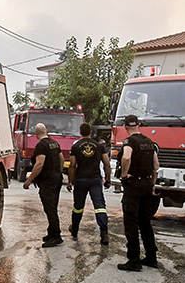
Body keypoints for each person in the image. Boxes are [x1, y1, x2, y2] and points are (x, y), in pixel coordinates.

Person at [117, 115, 160, 271]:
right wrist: (152, 183)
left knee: (131, 222)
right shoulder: (149, 142)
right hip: (147, 184)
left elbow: (126, 157)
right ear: (139, 125)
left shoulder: (129, 142)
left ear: (126, 126)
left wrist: (124, 175)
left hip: (134, 185)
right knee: (145, 222)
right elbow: (156, 165)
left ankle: (133, 259)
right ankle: (151, 257)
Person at [66, 122, 112, 244]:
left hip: (81, 180)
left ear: (80, 132)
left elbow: (72, 166)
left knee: (78, 207)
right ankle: (104, 233)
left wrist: (70, 181)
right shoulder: (99, 146)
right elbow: (107, 164)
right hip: (95, 180)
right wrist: (108, 179)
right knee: (100, 206)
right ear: (90, 132)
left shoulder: (76, 147)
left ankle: (75, 229)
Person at [24, 123, 65, 248]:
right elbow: (61, 159)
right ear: (46, 131)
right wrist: (58, 172)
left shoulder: (41, 146)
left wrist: (29, 180)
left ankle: (56, 236)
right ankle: (51, 232)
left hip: (48, 180)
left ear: (36, 134)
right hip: (56, 178)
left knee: (50, 208)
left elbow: (39, 164)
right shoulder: (54, 143)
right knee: (53, 206)